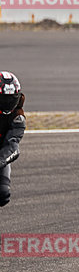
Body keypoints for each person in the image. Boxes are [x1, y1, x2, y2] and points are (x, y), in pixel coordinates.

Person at [0, 72, 25, 207]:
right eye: (3, 99)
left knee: (3, 194)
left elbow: (13, 147)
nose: (7, 103)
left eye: (11, 99)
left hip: (0, 156)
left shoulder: (18, 118)